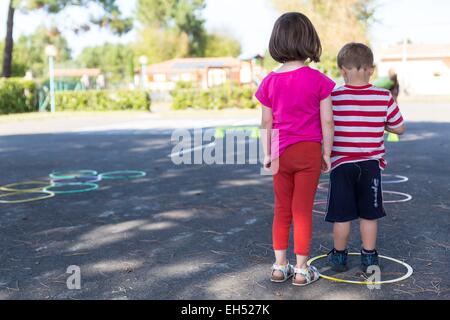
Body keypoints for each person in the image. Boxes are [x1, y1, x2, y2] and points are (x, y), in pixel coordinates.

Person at [255, 12, 335, 286]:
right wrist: (327, 153)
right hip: (309, 152)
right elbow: (327, 120)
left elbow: (266, 121)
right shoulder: (319, 80)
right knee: (302, 210)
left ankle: (279, 266)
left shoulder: (269, 81)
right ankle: (301, 269)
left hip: (279, 152)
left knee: (282, 210)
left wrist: (266, 153)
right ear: (309, 41)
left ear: (276, 42)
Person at [326, 43, 406, 273]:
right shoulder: (383, 96)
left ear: (342, 70)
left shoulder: (333, 96)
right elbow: (399, 128)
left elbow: (326, 123)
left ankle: (339, 256)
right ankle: (369, 256)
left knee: (341, 215)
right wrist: (382, 124)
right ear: (371, 69)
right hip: (371, 165)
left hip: (341, 164)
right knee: (369, 215)